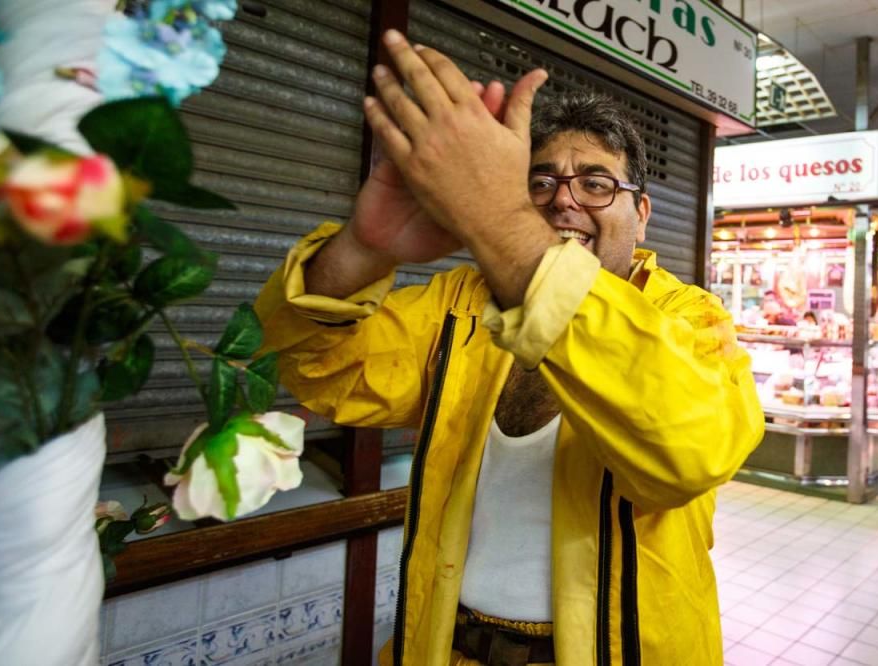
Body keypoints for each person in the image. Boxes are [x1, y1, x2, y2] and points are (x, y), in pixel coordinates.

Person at [255, 30, 763, 666]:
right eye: (541, 182)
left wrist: (500, 222)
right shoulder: (461, 303)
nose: (564, 201)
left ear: (642, 213)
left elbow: (688, 452)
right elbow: (326, 371)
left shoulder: (690, 319)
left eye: (597, 185)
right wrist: (365, 244)